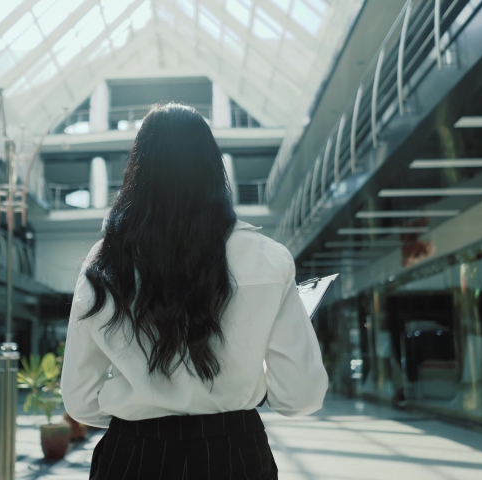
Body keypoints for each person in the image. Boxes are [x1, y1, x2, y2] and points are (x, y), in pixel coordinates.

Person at [60, 103, 328, 480]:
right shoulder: (269, 259)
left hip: (132, 455)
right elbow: (301, 395)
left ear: (139, 170)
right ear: (212, 168)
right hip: (235, 454)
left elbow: (80, 399)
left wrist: (139, 409)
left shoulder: (105, 260)